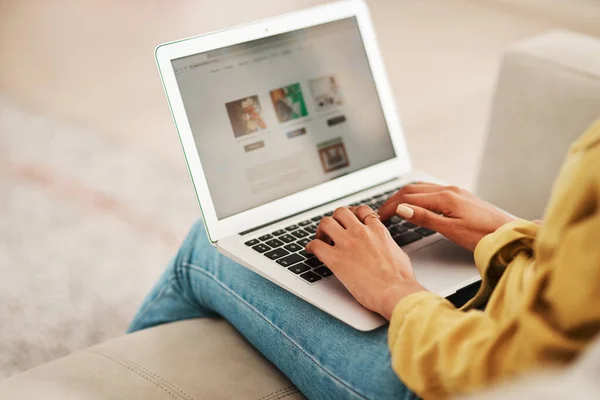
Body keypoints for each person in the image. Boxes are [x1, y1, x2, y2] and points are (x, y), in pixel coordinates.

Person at [129, 120, 600, 399]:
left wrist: (397, 291)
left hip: (450, 381)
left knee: (209, 249)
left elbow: (515, 375)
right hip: (504, 316)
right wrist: (512, 236)